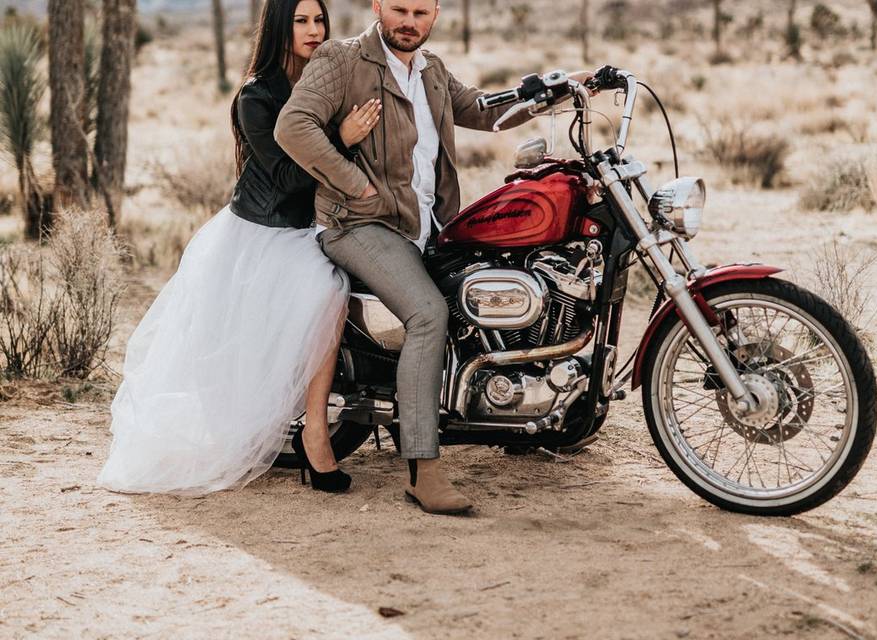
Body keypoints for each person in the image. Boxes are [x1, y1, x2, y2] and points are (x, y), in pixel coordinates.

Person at [275, 0, 593, 514]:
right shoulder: (342, 59)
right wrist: (354, 183)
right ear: (378, 5)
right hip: (358, 224)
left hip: (425, 227)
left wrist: (562, 88)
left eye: (421, 12)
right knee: (429, 315)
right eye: (398, 8)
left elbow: (489, 112)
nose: (409, 22)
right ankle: (424, 470)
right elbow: (293, 127)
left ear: (437, 13)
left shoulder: (433, 71)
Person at [97, 0, 377, 496]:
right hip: (265, 233)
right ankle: (315, 435)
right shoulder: (257, 95)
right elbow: (287, 178)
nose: (314, 31)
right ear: (277, 27)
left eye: (319, 21)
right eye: (301, 21)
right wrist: (343, 137)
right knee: (328, 292)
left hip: (310, 225)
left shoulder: (321, 80)